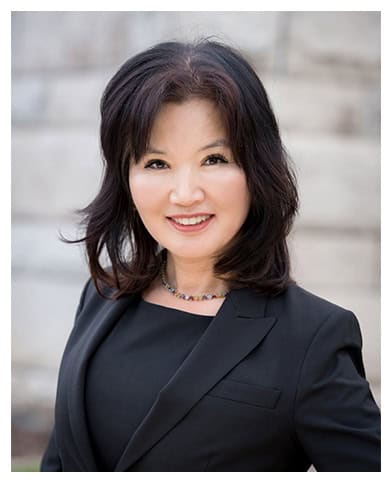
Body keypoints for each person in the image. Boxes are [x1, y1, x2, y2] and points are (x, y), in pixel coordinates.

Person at [40, 39, 381, 472]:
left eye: (214, 159)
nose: (185, 195)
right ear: (126, 178)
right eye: (157, 163)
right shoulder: (102, 292)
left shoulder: (313, 338)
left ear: (257, 170)